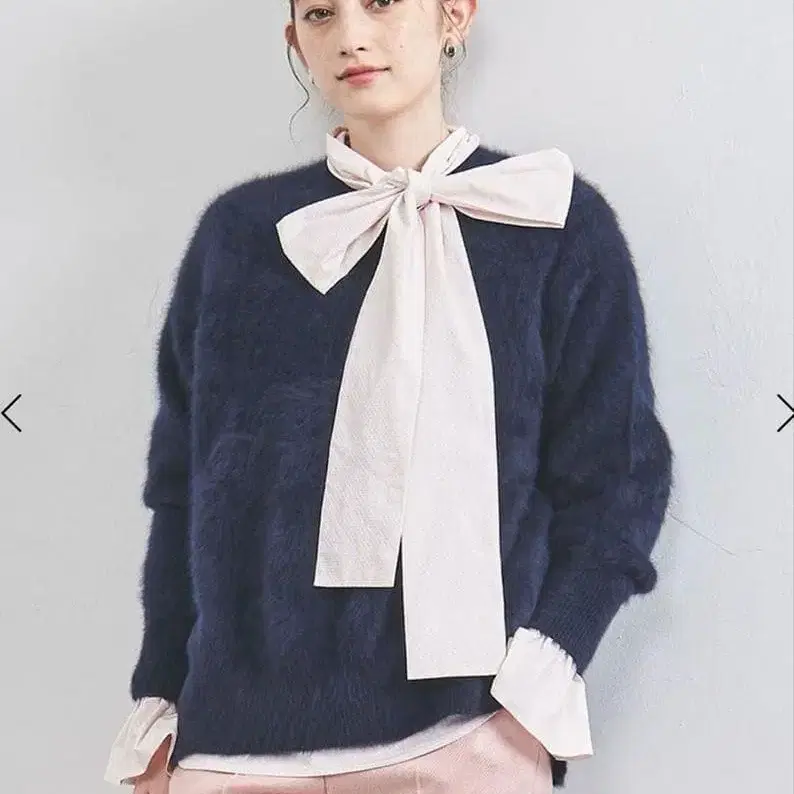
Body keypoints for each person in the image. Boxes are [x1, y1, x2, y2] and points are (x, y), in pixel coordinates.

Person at [104, 1, 674, 792]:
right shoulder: (240, 237)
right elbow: (181, 493)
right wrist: (159, 703)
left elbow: (618, 480)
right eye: (321, 14)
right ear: (295, 39)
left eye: (380, 2)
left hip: (461, 740)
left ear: (454, 14)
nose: (352, 37)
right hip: (231, 752)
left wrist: (539, 681)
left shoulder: (550, 219)